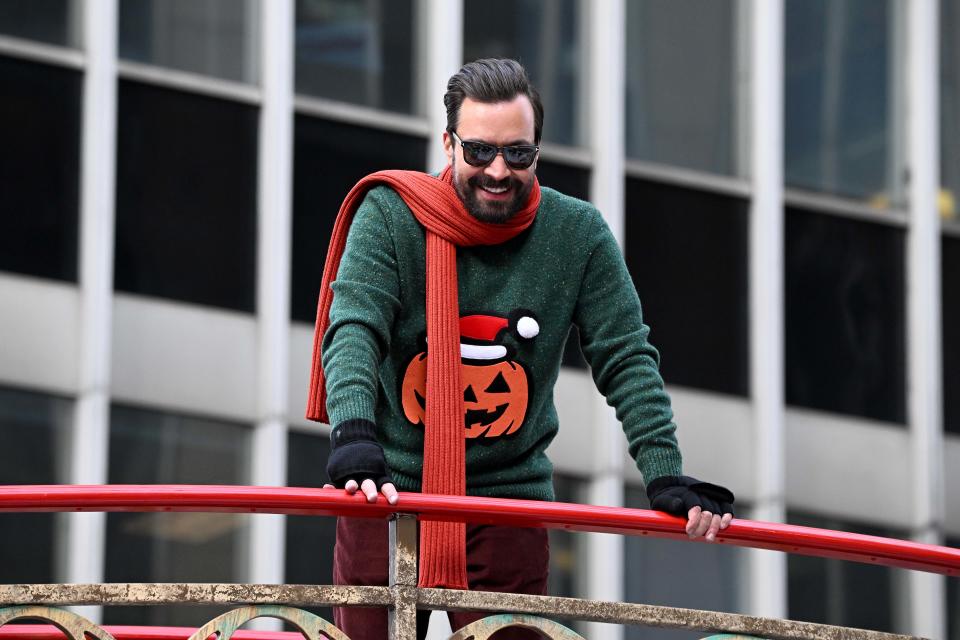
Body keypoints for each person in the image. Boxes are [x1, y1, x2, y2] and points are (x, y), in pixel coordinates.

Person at [306, 58, 735, 640]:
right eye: (480, 152)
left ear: (538, 151)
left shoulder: (577, 233)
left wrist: (664, 475)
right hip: (385, 490)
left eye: (518, 154)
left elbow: (627, 356)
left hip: (508, 499)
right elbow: (354, 325)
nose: (498, 170)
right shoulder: (390, 215)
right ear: (449, 144)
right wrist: (353, 433)